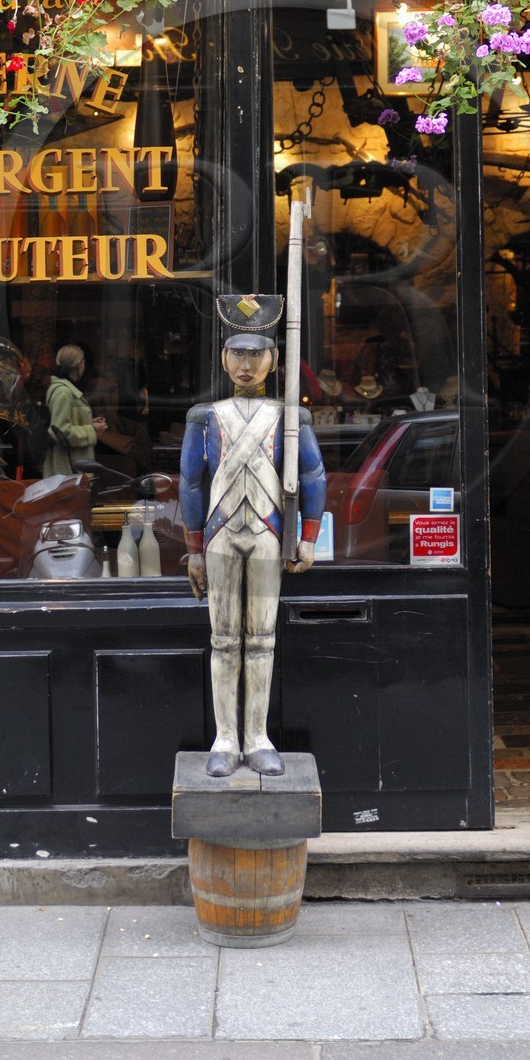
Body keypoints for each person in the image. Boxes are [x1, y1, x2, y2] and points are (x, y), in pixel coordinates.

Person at [179, 295, 326, 778]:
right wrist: (194, 548)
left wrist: (308, 537)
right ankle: (225, 738)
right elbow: (191, 482)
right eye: (237, 354)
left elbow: (313, 476)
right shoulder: (204, 416)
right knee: (223, 639)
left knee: (262, 639)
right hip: (221, 536)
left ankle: (258, 736)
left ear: (274, 359)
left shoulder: (291, 417)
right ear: (224, 358)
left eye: (256, 354)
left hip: (267, 535)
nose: (246, 365)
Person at [44, 345, 108, 478]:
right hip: (68, 469)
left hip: (69, 467)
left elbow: (63, 421)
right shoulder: (64, 392)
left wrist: (88, 422)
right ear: (79, 364)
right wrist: (91, 430)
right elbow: (60, 430)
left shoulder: (62, 389)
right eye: (83, 361)